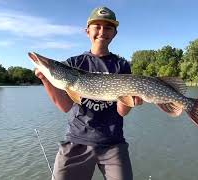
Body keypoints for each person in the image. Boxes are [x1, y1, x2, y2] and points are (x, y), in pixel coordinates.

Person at [35, 6, 142, 180]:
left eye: (108, 27)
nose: (102, 31)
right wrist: (46, 78)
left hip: (113, 143)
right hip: (77, 140)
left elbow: (122, 111)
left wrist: (132, 99)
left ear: (114, 33)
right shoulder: (73, 63)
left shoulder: (121, 65)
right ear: (87, 31)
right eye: (97, 26)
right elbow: (66, 106)